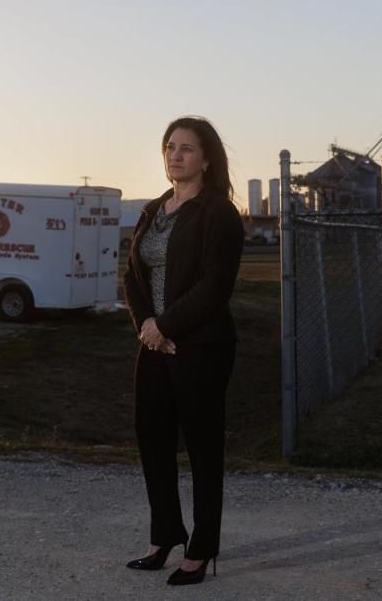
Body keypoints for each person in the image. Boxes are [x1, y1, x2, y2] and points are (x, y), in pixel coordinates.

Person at [122, 116, 244, 586]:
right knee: (152, 439)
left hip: (202, 346)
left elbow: (215, 287)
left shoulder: (218, 213)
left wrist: (165, 325)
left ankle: (202, 548)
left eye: (187, 148)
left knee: (201, 447)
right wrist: (147, 329)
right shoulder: (153, 210)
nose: (176, 155)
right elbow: (131, 276)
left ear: (207, 159)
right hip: (154, 344)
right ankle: (165, 535)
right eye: (170, 146)